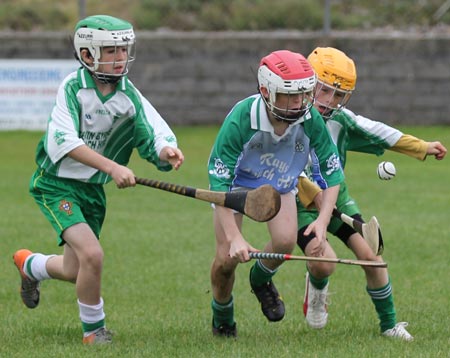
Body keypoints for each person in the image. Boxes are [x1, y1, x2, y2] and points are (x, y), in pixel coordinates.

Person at [12, 15, 184, 345]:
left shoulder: (128, 96)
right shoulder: (73, 88)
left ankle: (30, 265)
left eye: (124, 51)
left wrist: (164, 153)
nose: (120, 59)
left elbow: (147, 136)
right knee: (93, 255)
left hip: (92, 192)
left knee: (77, 270)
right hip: (56, 184)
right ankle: (94, 332)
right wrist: (112, 168)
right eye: (111, 51)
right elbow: (62, 143)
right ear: (88, 54)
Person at [296, 46, 447, 341]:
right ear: (308, 84)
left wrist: (422, 147)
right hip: (303, 206)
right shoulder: (289, 120)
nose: (331, 101)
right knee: (323, 262)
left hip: (338, 201)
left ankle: (389, 324)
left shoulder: (341, 120)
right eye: (325, 91)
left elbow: (379, 131)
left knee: (372, 258)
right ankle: (316, 289)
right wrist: (314, 197)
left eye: (340, 95)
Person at [207, 49, 345, 338]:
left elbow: (332, 174)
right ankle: (223, 317)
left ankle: (260, 280)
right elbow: (218, 185)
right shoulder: (242, 118)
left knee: (284, 243)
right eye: (289, 95)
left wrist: (320, 222)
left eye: (304, 94)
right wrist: (235, 238)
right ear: (266, 91)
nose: (299, 102)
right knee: (225, 261)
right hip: (234, 188)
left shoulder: (309, 119)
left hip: (280, 184)